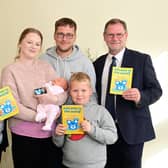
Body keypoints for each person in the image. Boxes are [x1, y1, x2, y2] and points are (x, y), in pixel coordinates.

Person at [93, 18, 162, 168]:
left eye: (119, 34)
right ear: (104, 36)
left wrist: (140, 96)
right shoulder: (97, 64)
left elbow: (156, 90)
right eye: (110, 35)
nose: (115, 38)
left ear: (126, 35)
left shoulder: (142, 60)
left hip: (132, 130)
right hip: (104, 129)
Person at [0, 28, 67, 168]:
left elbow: (62, 93)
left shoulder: (46, 67)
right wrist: (40, 116)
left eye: (37, 44)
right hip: (24, 134)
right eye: (29, 42)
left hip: (49, 134)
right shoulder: (10, 71)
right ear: (20, 44)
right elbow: (12, 105)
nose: (33, 46)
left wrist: (54, 101)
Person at [53, 72, 118, 168]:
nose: (79, 94)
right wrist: (58, 134)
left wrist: (91, 129)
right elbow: (58, 144)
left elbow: (112, 137)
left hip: (95, 165)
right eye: (75, 90)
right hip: (68, 164)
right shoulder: (65, 111)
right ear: (70, 92)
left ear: (90, 91)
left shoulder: (100, 111)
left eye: (84, 90)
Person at [40, 17, 96, 101]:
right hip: (48, 111)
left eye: (69, 35)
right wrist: (51, 91)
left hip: (75, 112)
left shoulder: (85, 63)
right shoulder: (42, 60)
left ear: (75, 37)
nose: (64, 39)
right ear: (54, 36)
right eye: (60, 34)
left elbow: (92, 95)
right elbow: (36, 90)